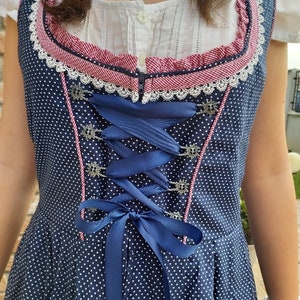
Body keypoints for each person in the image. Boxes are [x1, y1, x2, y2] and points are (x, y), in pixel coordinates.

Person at [0, 0, 299, 299]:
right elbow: (11, 164)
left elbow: (268, 172)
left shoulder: (262, 9)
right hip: (61, 276)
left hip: (207, 283)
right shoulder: (29, 6)